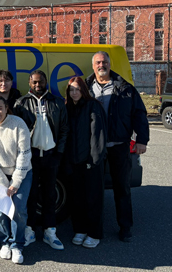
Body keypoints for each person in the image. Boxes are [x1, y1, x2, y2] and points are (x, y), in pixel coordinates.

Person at [86, 50, 150, 242]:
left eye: (104, 62)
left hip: (119, 145)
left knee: (122, 188)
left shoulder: (125, 88)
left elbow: (139, 114)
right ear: (93, 66)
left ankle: (125, 227)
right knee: (93, 189)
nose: (101, 65)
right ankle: (94, 229)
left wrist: (141, 140)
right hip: (94, 148)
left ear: (109, 64)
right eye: (97, 62)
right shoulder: (86, 88)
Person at [13, 70, 68, 249]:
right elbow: (14, 132)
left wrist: (59, 153)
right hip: (31, 156)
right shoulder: (21, 103)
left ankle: (49, 232)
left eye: (41, 82)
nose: (38, 85)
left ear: (46, 82)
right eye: (34, 82)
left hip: (51, 156)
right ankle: (29, 230)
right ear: (29, 83)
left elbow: (64, 130)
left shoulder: (57, 102)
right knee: (30, 195)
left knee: (50, 195)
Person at [0, 96, 33, 264]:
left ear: (6, 108)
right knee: (0, 211)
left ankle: (18, 245)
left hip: (21, 172)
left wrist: (15, 183)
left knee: (18, 209)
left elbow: (25, 154)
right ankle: (5, 241)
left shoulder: (18, 123)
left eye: (0, 108)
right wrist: (3, 183)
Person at [63, 76, 106, 249]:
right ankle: (79, 230)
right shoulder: (67, 108)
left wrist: (94, 160)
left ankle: (94, 233)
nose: (74, 93)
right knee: (76, 198)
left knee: (93, 199)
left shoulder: (93, 106)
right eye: (71, 90)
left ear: (83, 90)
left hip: (90, 162)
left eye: (77, 89)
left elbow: (98, 136)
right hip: (74, 162)